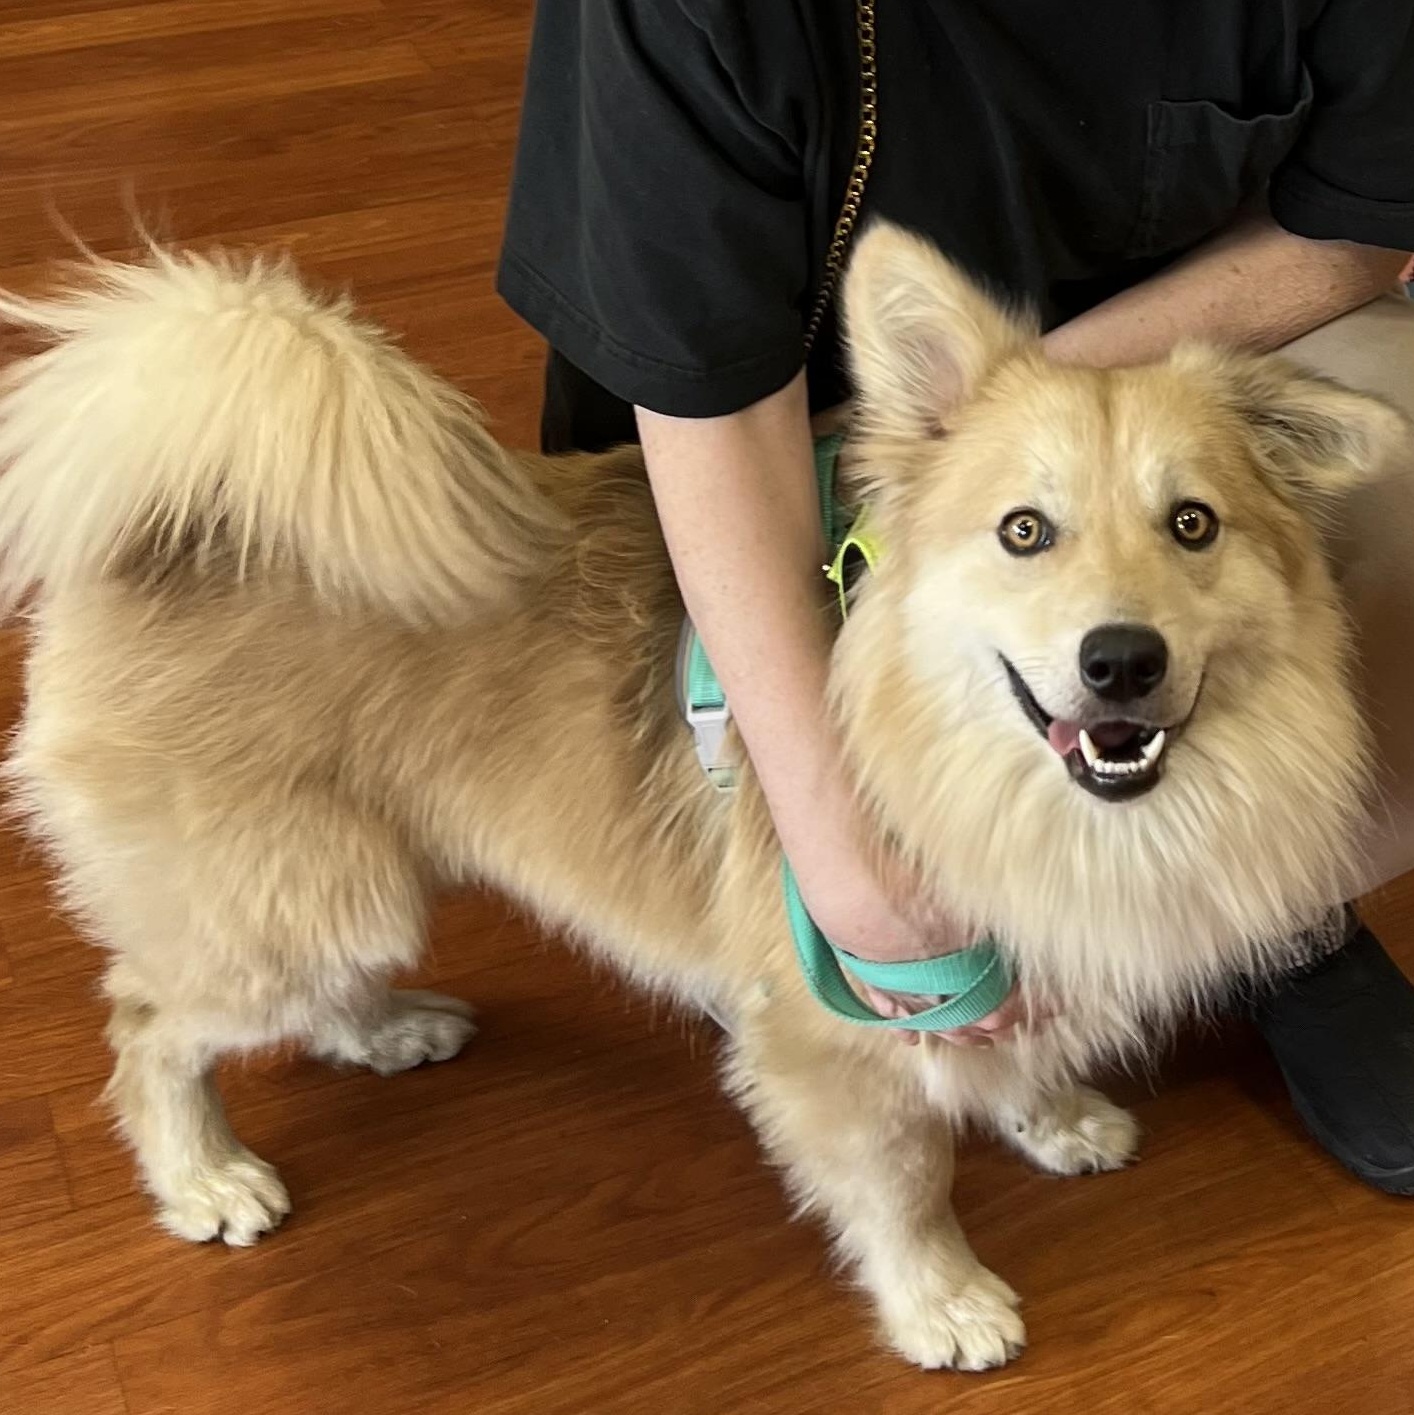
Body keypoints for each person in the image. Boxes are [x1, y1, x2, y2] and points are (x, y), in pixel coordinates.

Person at [498, 1, 1414, 1193]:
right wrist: (844, 861)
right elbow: (705, 393)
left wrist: (1015, 415)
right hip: (769, 410)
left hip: (1122, 367)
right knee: (834, 860)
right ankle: (826, 890)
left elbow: (1357, 223)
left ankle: (1266, 909)